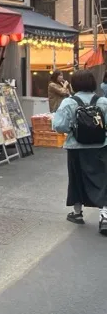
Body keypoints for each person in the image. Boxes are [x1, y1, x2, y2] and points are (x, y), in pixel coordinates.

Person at [52, 69, 107, 234]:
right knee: (102, 180)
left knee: (76, 179)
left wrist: (73, 128)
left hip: (76, 147)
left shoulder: (69, 102)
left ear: (74, 84)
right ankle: (104, 216)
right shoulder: (103, 101)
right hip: (101, 147)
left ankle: (77, 213)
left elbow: (59, 126)